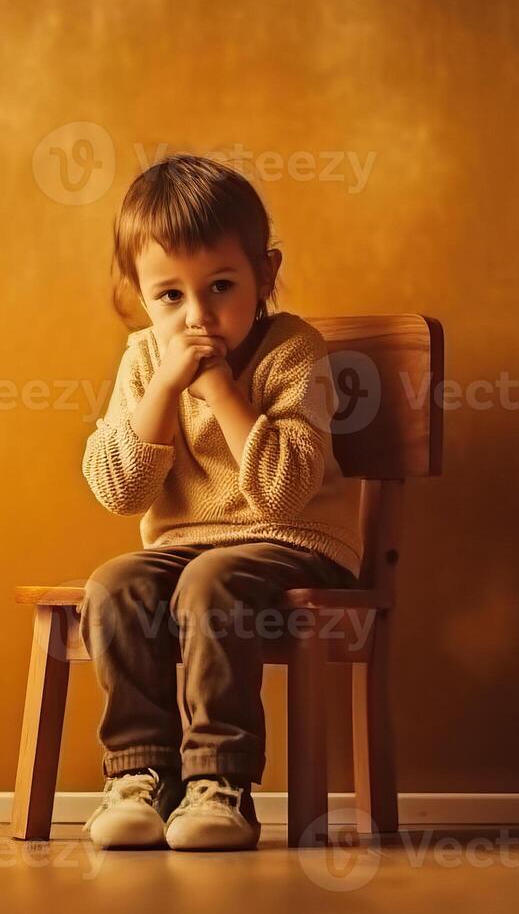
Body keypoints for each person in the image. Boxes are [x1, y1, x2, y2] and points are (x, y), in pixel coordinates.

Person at [78, 154, 364, 850]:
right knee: (113, 585)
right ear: (140, 296)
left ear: (264, 275)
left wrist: (222, 394)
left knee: (212, 582)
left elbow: (285, 494)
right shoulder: (145, 359)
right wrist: (162, 394)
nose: (197, 316)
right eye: (170, 296)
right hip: (184, 549)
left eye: (221, 287)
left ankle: (219, 783)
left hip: (293, 545)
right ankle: (140, 775)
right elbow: (119, 491)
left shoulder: (293, 350)